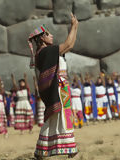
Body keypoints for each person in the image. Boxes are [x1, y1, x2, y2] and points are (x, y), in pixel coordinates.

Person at [28, 12, 78, 158]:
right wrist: (73, 26)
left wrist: (75, 27)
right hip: (58, 87)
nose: (52, 36)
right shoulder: (45, 52)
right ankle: (48, 150)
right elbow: (68, 44)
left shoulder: (48, 51)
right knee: (58, 117)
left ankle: (63, 148)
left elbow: (70, 45)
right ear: (42, 38)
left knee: (61, 117)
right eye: (48, 35)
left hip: (62, 86)